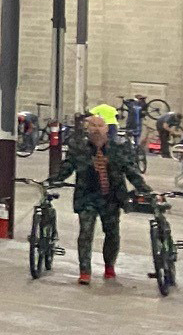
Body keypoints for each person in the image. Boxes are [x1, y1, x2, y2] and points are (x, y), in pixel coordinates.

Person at [47, 112, 150, 284]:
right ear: (87, 129)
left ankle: (109, 266)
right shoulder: (77, 147)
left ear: (107, 129)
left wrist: (144, 189)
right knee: (85, 233)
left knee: (112, 234)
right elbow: (68, 167)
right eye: (92, 126)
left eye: (99, 126)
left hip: (111, 197)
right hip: (87, 196)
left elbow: (130, 170)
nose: (96, 129)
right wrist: (54, 180)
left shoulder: (119, 148)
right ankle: (85, 271)